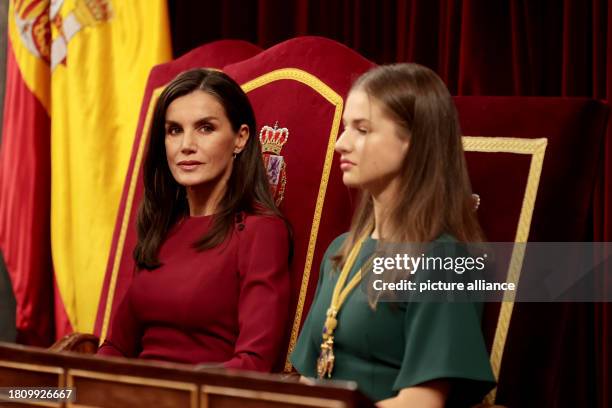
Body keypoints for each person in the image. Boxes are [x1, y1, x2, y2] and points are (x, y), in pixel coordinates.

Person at [291, 64, 496, 407]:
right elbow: (307, 381)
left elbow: (423, 402)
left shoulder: (443, 261)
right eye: (345, 128)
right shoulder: (341, 250)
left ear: (412, 142)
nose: (341, 143)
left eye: (362, 129)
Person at [98, 68, 291, 372]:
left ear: (240, 138)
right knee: (19, 395)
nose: (186, 145)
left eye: (205, 128)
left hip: (202, 398)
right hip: (132, 397)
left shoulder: (261, 231)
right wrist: (81, 388)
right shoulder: (163, 226)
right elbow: (117, 346)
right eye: (174, 130)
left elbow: (254, 363)